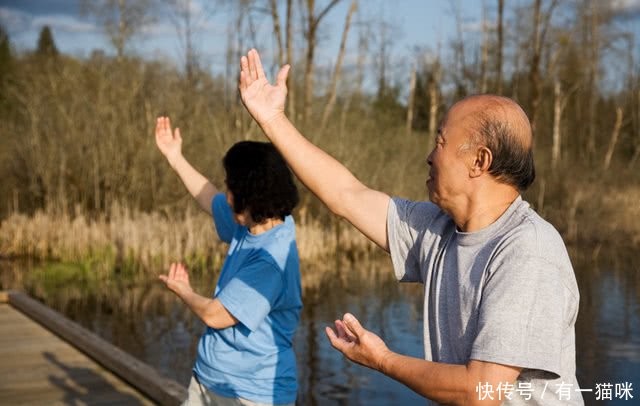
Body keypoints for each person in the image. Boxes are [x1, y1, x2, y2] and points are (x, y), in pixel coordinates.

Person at [237, 49, 583, 405]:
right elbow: (346, 194)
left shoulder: (529, 250)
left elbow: (482, 391)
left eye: (441, 142)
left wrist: (384, 360)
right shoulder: (438, 228)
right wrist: (273, 120)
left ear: (480, 161)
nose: (430, 155)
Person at [155, 116, 302, 406]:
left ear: (251, 197)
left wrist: (183, 290)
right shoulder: (254, 221)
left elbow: (215, 315)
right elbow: (208, 196)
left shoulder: (271, 261)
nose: (226, 193)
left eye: (231, 187)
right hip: (209, 380)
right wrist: (175, 157)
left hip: (250, 394)